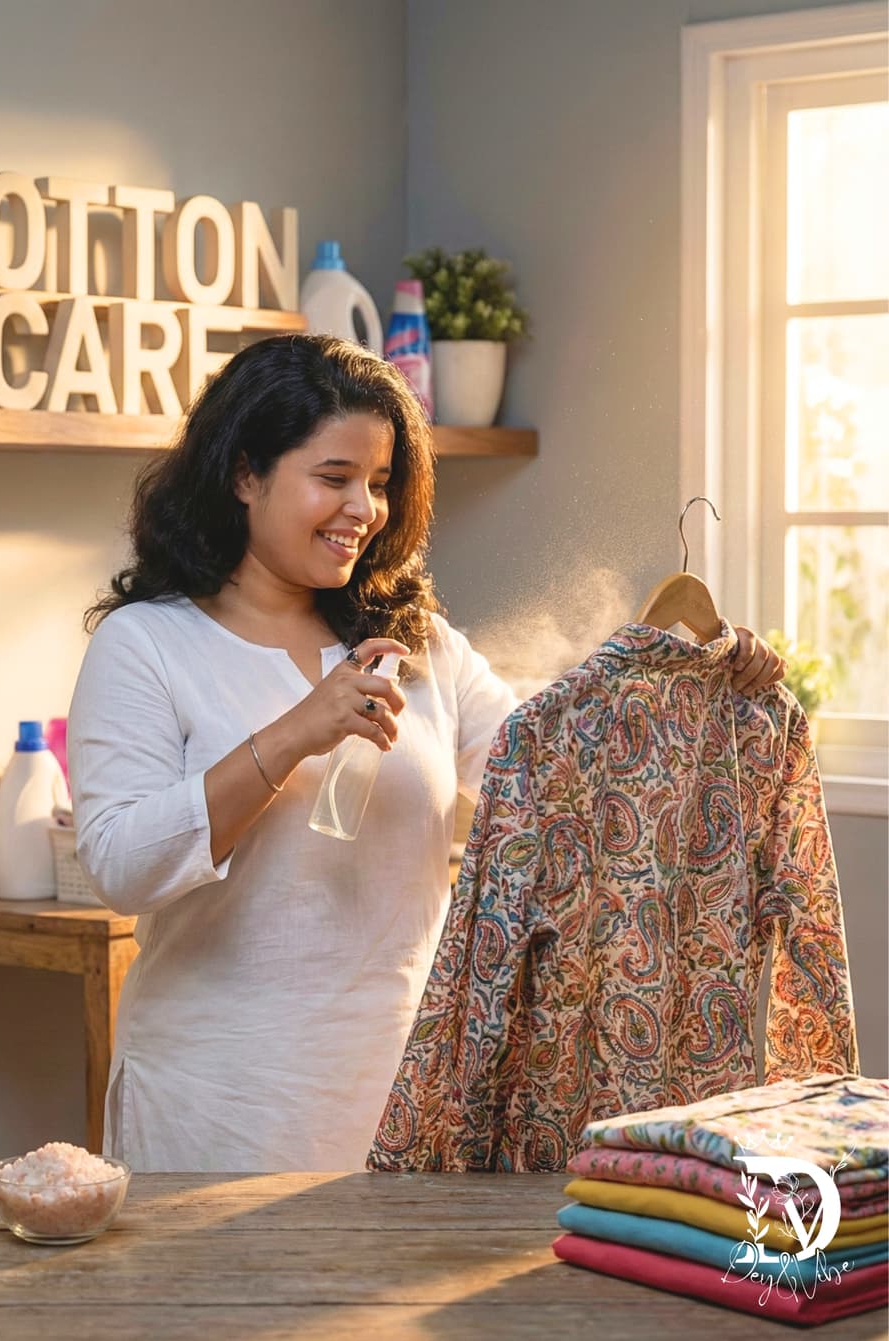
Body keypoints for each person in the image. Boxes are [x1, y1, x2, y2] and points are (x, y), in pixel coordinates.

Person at [68, 333, 785, 1173]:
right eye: (333, 477)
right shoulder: (149, 644)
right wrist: (297, 732)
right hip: (221, 1104)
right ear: (244, 473)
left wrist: (701, 686)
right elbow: (120, 865)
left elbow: (567, 788)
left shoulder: (419, 643)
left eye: (378, 483)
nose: (363, 510)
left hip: (410, 1098)